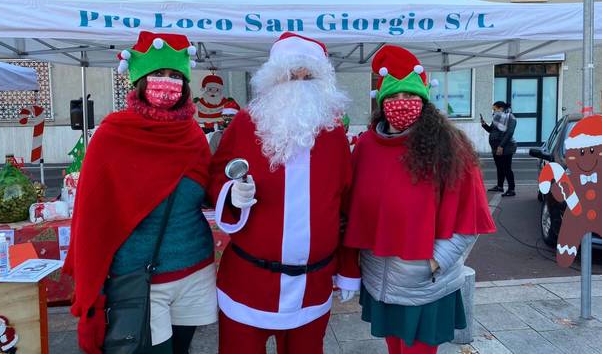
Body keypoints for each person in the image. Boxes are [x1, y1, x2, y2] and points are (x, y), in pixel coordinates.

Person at [64, 31, 217, 354]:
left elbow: (209, 190)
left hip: (194, 271)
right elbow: (91, 216)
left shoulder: (193, 135)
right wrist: (94, 286)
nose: (167, 82)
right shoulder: (112, 134)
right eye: (158, 74)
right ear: (139, 81)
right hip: (139, 281)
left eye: (175, 75)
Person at [208, 32, 360, 354]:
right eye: (292, 74)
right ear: (275, 79)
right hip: (249, 284)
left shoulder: (333, 135)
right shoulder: (247, 124)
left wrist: (348, 269)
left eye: (309, 76)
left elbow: (346, 208)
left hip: (312, 287)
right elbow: (216, 176)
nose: (300, 83)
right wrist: (231, 194)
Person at [344, 45, 496, 354]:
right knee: (394, 348)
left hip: (426, 283)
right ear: (382, 103)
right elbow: (350, 208)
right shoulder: (366, 148)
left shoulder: (451, 148)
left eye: (409, 97)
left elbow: (469, 220)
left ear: (424, 101)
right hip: (380, 279)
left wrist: (435, 262)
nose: (402, 104)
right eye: (394, 98)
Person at [480, 101, 517, 197]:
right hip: (495, 147)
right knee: (500, 167)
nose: (493, 111)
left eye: (494, 109)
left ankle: (511, 189)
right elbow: (491, 130)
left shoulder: (511, 118)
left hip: (506, 147)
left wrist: (501, 146)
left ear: (500, 108)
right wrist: (484, 125)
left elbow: (509, 133)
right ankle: (500, 186)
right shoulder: (497, 118)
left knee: (506, 168)